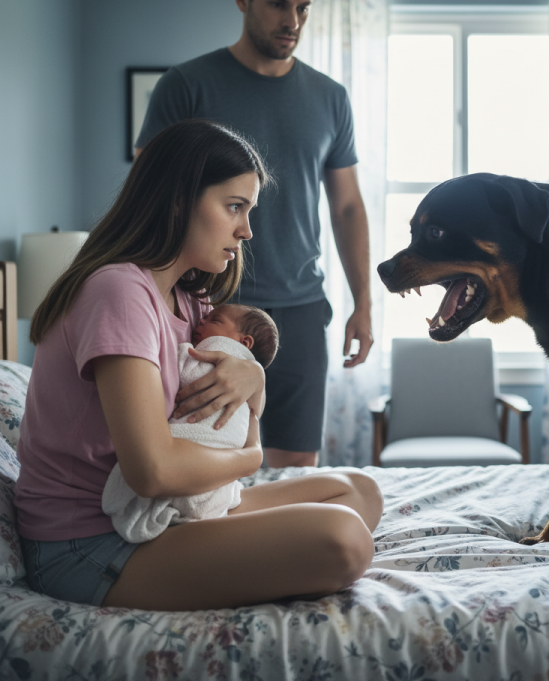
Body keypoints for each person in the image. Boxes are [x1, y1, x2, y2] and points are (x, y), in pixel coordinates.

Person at [14, 119, 383, 611]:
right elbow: (152, 469)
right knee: (344, 539)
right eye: (234, 207)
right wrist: (252, 458)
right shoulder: (120, 292)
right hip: (93, 541)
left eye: (248, 211)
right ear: (178, 199)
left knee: (359, 492)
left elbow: (236, 374)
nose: (247, 230)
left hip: (162, 513)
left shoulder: (187, 298)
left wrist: (253, 374)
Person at [135, 0, 373, 470]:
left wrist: (363, 301)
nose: (292, 20)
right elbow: (151, 192)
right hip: (208, 305)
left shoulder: (331, 98)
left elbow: (348, 208)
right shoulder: (186, 86)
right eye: (277, 4)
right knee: (208, 453)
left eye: (303, 7)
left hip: (300, 309)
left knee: (293, 468)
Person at [102, 304, 279, 543]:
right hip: (207, 473)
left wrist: (180, 351)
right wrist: (252, 457)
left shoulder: (219, 351)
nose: (202, 321)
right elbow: (254, 416)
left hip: (209, 462)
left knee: (347, 488)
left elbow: (187, 371)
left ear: (243, 342)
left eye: (215, 319)